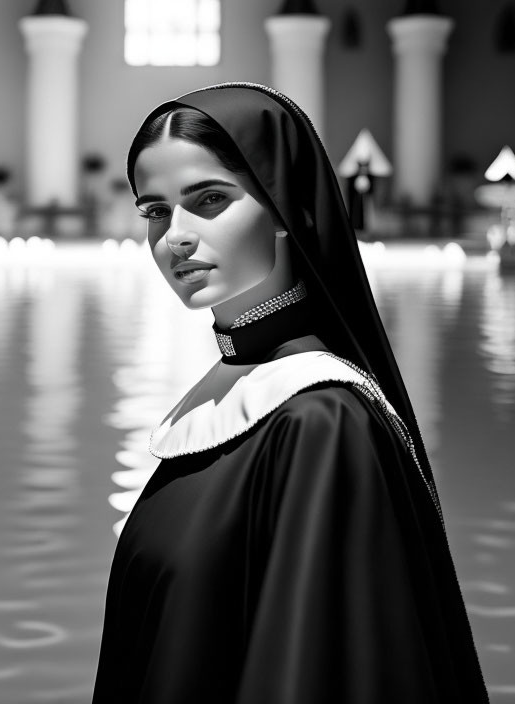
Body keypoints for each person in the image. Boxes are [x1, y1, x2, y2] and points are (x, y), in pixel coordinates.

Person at [91, 83, 489, 703]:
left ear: (280, 207)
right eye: (156, 210)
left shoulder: (321, 423)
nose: (176, 236)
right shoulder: (237, 399)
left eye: (210, 199)